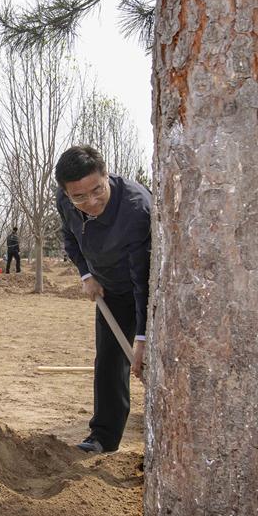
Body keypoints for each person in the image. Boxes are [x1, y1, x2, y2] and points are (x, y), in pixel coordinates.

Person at [55, 145, 150, 454]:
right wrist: (86, 274)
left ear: (107, 175)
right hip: (108, 289)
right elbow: (70, 238)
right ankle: (103, 438)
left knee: (152, 360)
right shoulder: (65, 202)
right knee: (109, 361)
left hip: (150, 287)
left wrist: (142, 337)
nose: (91, 202)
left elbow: (143, 279)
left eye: (97, 190)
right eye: (80, 197)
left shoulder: (136, 210)